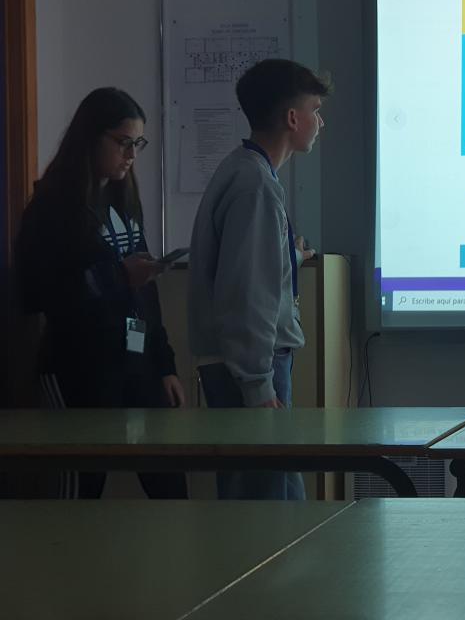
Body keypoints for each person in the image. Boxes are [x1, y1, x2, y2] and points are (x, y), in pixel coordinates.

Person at [14, 87, 187, 499]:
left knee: (170, 486)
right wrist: (117, 278)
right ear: (91, 137)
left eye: (137, 144)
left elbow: (144, 296)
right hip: (78, 369)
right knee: (80, 490)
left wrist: (163, 364)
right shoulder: (52, 207)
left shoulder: (123, 199)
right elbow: (36, 294)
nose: (131, 155)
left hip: (135, 364)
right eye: (123, 142)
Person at [188, 59, 327, 500]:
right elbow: (246, 296)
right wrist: (258, 385)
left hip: (244, 365)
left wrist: (290, 255)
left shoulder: (244, 170)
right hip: (250, 368)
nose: (320, 122)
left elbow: (250, 269)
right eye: (315, 110)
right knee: (264, 509)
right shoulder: (256, 186)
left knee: (275, 496)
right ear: (292, 118)